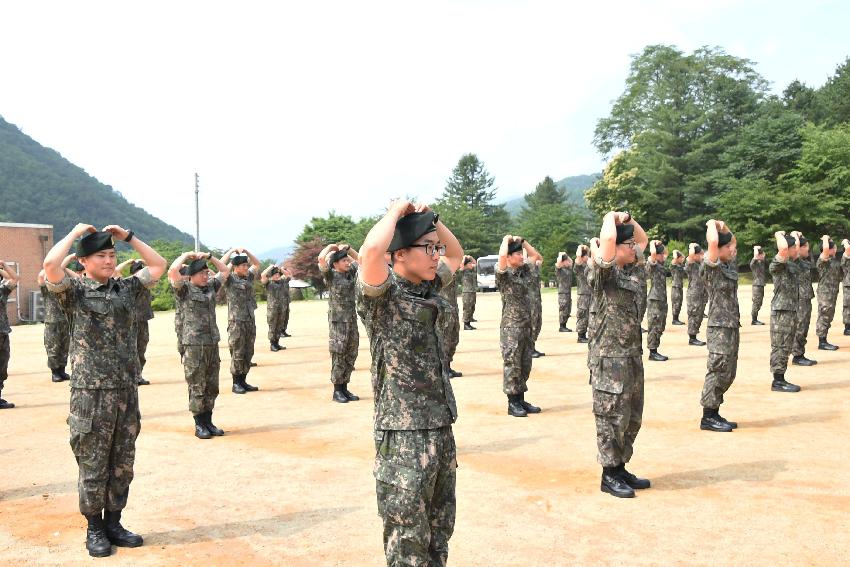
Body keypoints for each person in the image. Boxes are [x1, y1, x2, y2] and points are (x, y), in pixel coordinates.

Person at [43, 224, 166, 557]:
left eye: (112, 255)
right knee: (93, 462)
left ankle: (115, 522)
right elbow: (51, 267)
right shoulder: (74, 292)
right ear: (84, 261)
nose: (110, 261)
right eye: (102, 255)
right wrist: (72, 234)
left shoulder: (127, 289)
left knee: (122, 461)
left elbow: (158, 266)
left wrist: (129, 238)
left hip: (125, 389)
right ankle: (94, 528)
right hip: (91, 393)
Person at [357, 202, 462, 566]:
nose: (437, 255)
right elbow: (371, 252)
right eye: (428, 248)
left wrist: (434, 221)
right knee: (407, 541)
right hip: (403, 436)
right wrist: (397, 212)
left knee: (438, 532)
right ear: (399, 254)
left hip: (440, 426)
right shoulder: (383, 298)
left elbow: (458, 254)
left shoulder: (430, 286)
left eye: (436, 248)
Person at [588, 211, 650, 498]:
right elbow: (609, 240)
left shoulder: (635, 271)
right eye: (629, 246)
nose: (634, 248)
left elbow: (643, 239)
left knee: (631, 416)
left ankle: (621, 465)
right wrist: (611, 217)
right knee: (611, 416)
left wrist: (630, 220)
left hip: (632, 355)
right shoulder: (604, 273)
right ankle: (609, 473)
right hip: (609, 358)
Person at [170, 252, 230, 439]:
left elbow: (225, 270)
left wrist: (210, 257)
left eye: (206, 272)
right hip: (194, 345)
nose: (206, 276)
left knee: (212, 385)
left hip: (212, 342)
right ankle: (199, 424)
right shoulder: (184, 290)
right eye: (201, 273)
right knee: (197, 384)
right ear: (191, 275)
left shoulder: (211, 286)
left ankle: (209, 421)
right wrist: (186, 256)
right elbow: (173, 271)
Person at [699, 220, 740, 432]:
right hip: (719, 327)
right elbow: (713, 242)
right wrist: (712, 225)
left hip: (731, 325)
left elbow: (732, 240)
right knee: (717, 370)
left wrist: (726, 229)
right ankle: (708, 416)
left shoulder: (728, 265)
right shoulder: (711, 267)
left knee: (729, 372)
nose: (732, 249)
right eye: (728, 248)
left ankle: (715, 410)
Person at [496, 235, 544, 417]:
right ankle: (512, 403)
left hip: (527, 326)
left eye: (521, 253)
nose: (521, 256)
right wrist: (506, 240)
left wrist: (523, 242)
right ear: (508, 257)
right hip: (511, 328)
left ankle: (521, 399)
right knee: (512, 364)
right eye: (516, 254)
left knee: (525, 364)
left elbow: (537, 257)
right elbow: (501, 259)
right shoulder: (504, 275)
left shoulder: (526, 271)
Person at [318, 243, 361, 402]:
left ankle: (345, 387)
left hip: (351, 319)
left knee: (351, 353)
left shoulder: (351, 273)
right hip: (338, 323)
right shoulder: (331, 276)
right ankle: (337, 390)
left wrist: (347, 250)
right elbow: (321, 258)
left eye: (347, 260)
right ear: (335, 264)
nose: (347, 263)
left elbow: (361, 260)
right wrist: (331, 247)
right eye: (343, 261)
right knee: (339, 354)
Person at [219, 247, 261, 394]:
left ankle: (243, 380)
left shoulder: (248, 277)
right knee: (237, 352)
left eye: (246, 265)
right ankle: (236, 383)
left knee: (248, 352)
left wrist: (247, 252)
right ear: (235, 267)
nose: (246, 267)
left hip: (249, 320)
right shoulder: (229, 279)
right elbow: (221, 266)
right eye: (243, 265)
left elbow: (257, 264)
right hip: (236, 321)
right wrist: (230, 252)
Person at [769, 231, 802, 392]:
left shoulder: (791, 264)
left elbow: (791, 250)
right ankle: (778, 381)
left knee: (786, 346)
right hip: (781, 312)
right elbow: (782, 249)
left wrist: (794, 235)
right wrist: (778, 234)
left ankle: (781, 378)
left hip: (790, 311)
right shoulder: (778, 264)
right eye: (794, 247)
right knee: (780, 346)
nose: (797, 249)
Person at [114, 259, 154, 385]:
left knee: (141, 349)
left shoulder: (148, 283)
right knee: (130, 349)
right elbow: (115, 271)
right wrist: (127, 262)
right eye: (139, 271)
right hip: (130, 321)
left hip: (143, 320)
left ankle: (138, 375)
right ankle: (130, 376)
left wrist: (145, 263)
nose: (143, 274)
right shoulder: (128, 284)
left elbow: (154, 270)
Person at [38, 254, 77, 383]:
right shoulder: (46, 286)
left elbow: (77, 277)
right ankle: (55, 372)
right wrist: (66, 261)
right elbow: (43, 275)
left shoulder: (63, 286)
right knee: (53, 346)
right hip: (52, 321)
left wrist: (63, 268)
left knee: (65, 346)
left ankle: (62, 370)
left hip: (65, 319)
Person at [791, 235, 818, 366]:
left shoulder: (805, 261)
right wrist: (795, 237)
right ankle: (797, 355)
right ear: (798, 248)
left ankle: (799, 352)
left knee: (804, 326)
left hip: (806, 297)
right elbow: (794, 250)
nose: (808, 249)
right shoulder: (795, 261)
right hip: (800, 298)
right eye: (805, 246)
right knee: (800, 326)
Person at [815, 236, 842, 350]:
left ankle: (824, 339)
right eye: (834, 247)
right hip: (825, 293)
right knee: (824, 315)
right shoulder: (823, 261)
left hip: (832, 293)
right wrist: (826, 239)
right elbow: (825, 249)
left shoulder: (833, 260)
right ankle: (822, 342)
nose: (836, 248)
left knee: (828, 316)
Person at [0, 260, 20, 409]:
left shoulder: (2, 289)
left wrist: (4, 266)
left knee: (2, 366)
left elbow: (14, 278)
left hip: (3, 332)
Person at [645, 241, 670, 361]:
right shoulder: (653, 264)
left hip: (661, 299)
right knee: (654, 325)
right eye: (661, 254)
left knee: (660, 325)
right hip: (655, 299)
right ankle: (652, 352)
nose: (663, 256)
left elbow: (666, 253)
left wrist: (661, 246)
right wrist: (652, 243)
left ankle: (655, 349)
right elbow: (653, 253)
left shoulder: (661, 264)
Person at [438, 264, 463, 375]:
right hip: (444, 311)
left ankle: (448, 366)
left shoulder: (451, 270)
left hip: (453, 309)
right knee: (445, 340)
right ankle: (443, 369)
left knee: (454, 339)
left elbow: (459, 263)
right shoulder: (439, 269)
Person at [261, 264, 292, 351]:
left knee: (279, 326)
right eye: (275, 274)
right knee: (273, 327)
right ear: (271, 276)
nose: (277, 275)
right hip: (273, 310)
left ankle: (277, 343)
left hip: (282, 309)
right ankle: (272, 344)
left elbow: (288, 276)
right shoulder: (268, 283)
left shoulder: (282, 282)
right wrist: (270, 267)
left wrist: (281, 270)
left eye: (278, 274)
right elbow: (263, 275)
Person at [686, 243, 707, 346]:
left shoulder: (699, 264)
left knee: (699, 315)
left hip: (701, 292)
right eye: (699, 254)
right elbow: (691, 255)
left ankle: (694, 336)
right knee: (694, 315)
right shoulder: (690, 263)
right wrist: (692, 246)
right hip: (694, 293)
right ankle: (692, 338)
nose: (701, 256)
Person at [574, 245, 591, 343]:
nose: (587, 257)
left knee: (589, 315)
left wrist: (587, 249)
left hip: (590, 293)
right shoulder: (579, 266)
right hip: (583, 294)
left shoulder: (588, 265)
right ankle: (581, 336)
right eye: (586, 256)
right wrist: (580, 247)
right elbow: (578, 256)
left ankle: (585, 334)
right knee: (582, 315)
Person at [529, 257, 545, 358]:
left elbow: (540, 258)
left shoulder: (535, 267)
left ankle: (532, 347)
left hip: (537, 300)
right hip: (530, 301)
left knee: (538, 324)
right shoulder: (526, 267)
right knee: (532, 325)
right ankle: (529, 349)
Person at [555, 252, 574, 332]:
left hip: (568, 292)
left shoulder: (568, 268)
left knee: (568, 309)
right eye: (566, 261)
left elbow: (572, 262)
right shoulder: (559, 269)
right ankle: (561, 326)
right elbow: (558, 263)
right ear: (563, 262)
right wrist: (560, 255)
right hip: (563, 293)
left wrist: (566, 254)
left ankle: (564, 325)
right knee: (563, 309)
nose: (568, 262)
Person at [750, 246, 767, 325]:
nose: (764, 255)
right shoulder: (754, 263)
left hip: (761, 285)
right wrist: (756, 249)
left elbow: (763, 256)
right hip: (757, 285)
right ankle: (754, 320)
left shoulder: (762, 263)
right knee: (756, 302)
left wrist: (761, 252)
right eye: (762, 255)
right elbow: (755, 256)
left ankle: (755, 319)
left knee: (759, 303)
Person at [461, 255, 478, 330]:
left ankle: (469, 319)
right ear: (466, 265)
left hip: (472, 291)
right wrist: (464, 258)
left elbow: (476, 263)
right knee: (467, 308)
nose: (472, 265)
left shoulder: (472, 270)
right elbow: (461, 265)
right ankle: (466, 324)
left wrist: (470, 257)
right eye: (469, 264)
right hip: (467, 292)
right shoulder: (464, 270)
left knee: (472, 307)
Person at [670, 251, 686, 325]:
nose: (683, 259)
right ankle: (674, 319)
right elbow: (675, 253)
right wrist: (677, 254)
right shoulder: (674, 265)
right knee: (676, 303)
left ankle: (677, 318)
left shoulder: (680, 265)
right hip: (675, 286)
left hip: (679, 286)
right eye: (681, 258)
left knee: (679, 303)